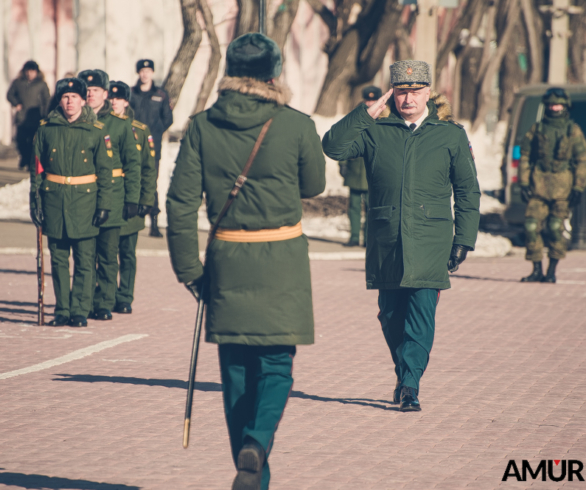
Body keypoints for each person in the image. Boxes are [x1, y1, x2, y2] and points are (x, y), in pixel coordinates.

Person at [166, 33, 325, 490]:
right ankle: (257, 442)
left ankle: (249, 466)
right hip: (282, 261)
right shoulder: (295, 124)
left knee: (235, 373)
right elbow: (312, 184)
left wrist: (188, 270)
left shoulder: (200, 126)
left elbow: (179, 203)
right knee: (276, 366)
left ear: (230, 74)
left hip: (227, 258)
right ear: (274, 74)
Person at [322, 60, 480, 412]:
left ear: (428, 93)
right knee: (390, 314)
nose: (409, 99)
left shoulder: (450, 135)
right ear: (393, 94)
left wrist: (464, 240)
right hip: (387, 237)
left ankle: (410, 384)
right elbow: (332, 146)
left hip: (431, 239)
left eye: (416, 92)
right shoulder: (375, 130)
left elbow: (468, 191)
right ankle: (405, 370)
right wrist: (366, 112)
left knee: (422, 312)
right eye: (402, 92)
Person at [30, 77, 113, 327]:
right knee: (58, 259)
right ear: (60, 100)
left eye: (74, 97)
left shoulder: (95, 130)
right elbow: (37, 170)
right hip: (55, 200)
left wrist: (104, 205)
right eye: (65, 97)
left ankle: (80, 309)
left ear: (82, 99)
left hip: (85, 202)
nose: (69, 101)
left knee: (85, 259)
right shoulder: (46, 129)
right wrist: (36, 203)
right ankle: (62, 309)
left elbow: (105, 172)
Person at [78, 70, 141, 321]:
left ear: (105, 94)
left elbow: (133, 165)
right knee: (85, 255)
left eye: (95, 91)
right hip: (83, 196)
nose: (90, 94)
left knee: (107, 254)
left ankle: (104, 301)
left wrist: (133, 199)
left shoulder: (119, 124)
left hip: (113, 196)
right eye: (87, 91)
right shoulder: (76, 121)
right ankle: (84, 301)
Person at [518, 87, 586, 283]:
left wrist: (578, 187)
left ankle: (552, 270)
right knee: (531, 226)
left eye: (558, 104)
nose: (555, 108)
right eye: (551, 104)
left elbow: (582, 161)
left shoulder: (572, 131)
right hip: (538, 186)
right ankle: (537, 268)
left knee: (555, 228)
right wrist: (523, 182)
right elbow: (525, 157)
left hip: (562, 188)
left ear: (565, 107)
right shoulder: (537, 129)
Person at [108, 80, 157, 314]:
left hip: (131, 197)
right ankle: (104, 293)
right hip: (108, 198)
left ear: (126, 102)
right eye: (111, 98)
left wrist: (146, 200)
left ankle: (125, 296)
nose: (113, 102)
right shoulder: (100, 126)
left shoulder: (139, 130)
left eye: (118, 98)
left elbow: (148, 169)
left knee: (127, 253)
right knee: (105, 252)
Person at [129, 59, 173, 238]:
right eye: (142, 71)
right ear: (138, 73)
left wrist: (155, 132)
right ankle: (131, 219)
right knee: (132, 180)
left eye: (148, 70)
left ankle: (154, 224)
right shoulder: (131, 94)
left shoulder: (161, 95)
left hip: (153, 146)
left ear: (152, 73)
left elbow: (168, 119)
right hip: (132, 145)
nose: (145, 74)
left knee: (151, 182)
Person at [339, 85, 382, 247]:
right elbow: (344, 139)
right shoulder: (355, 117)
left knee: (372, 208)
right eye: (368, 99)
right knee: (354, 207)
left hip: (373, 170)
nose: (370, 103)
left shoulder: (384, 118)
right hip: (355, 169)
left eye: (373, 100)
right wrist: (342, 163)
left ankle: (369, 238)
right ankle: (354, 237)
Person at [7, 60, 50, 170]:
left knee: (33, 142)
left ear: (37, 72)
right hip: (21, 117)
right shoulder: (18, 83)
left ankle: (30, 163)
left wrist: (45, 115)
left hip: (36, 118)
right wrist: (16, 103)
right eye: (28, 71)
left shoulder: (41, 84)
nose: (30, 73)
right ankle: (24, 157)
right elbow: (10, 94)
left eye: (32, 71)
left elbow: (47, 100)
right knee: (20, 140)